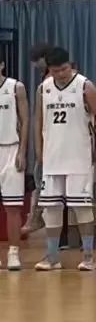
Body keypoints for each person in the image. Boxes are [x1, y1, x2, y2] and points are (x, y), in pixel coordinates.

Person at [34, 47, 96, 271]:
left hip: (78, 156)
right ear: (49, 70)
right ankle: (52, 257)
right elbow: (38, 120)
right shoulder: (44, 88)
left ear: (70, 65)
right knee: (51, 209)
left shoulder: (85, 86)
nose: (61, 74)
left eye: (64, 69)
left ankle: (89, 256)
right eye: (56, 71)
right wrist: (39, 150)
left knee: (82, 208)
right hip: (53, 157)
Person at [0, 61, 28, 270]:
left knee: (13, 207)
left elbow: (25, 120)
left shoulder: (15, 87)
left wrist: (22, 151)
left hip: (11, 148)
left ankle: (13, 253)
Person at [21, 43, 51, 237]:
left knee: (41, 180)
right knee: (39, 178)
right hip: (46, 137)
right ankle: (35, 216)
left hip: (55, 141)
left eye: (36, 61)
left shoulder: (49, 82)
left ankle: (36, 217)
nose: (34, 66)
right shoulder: (44, 81)